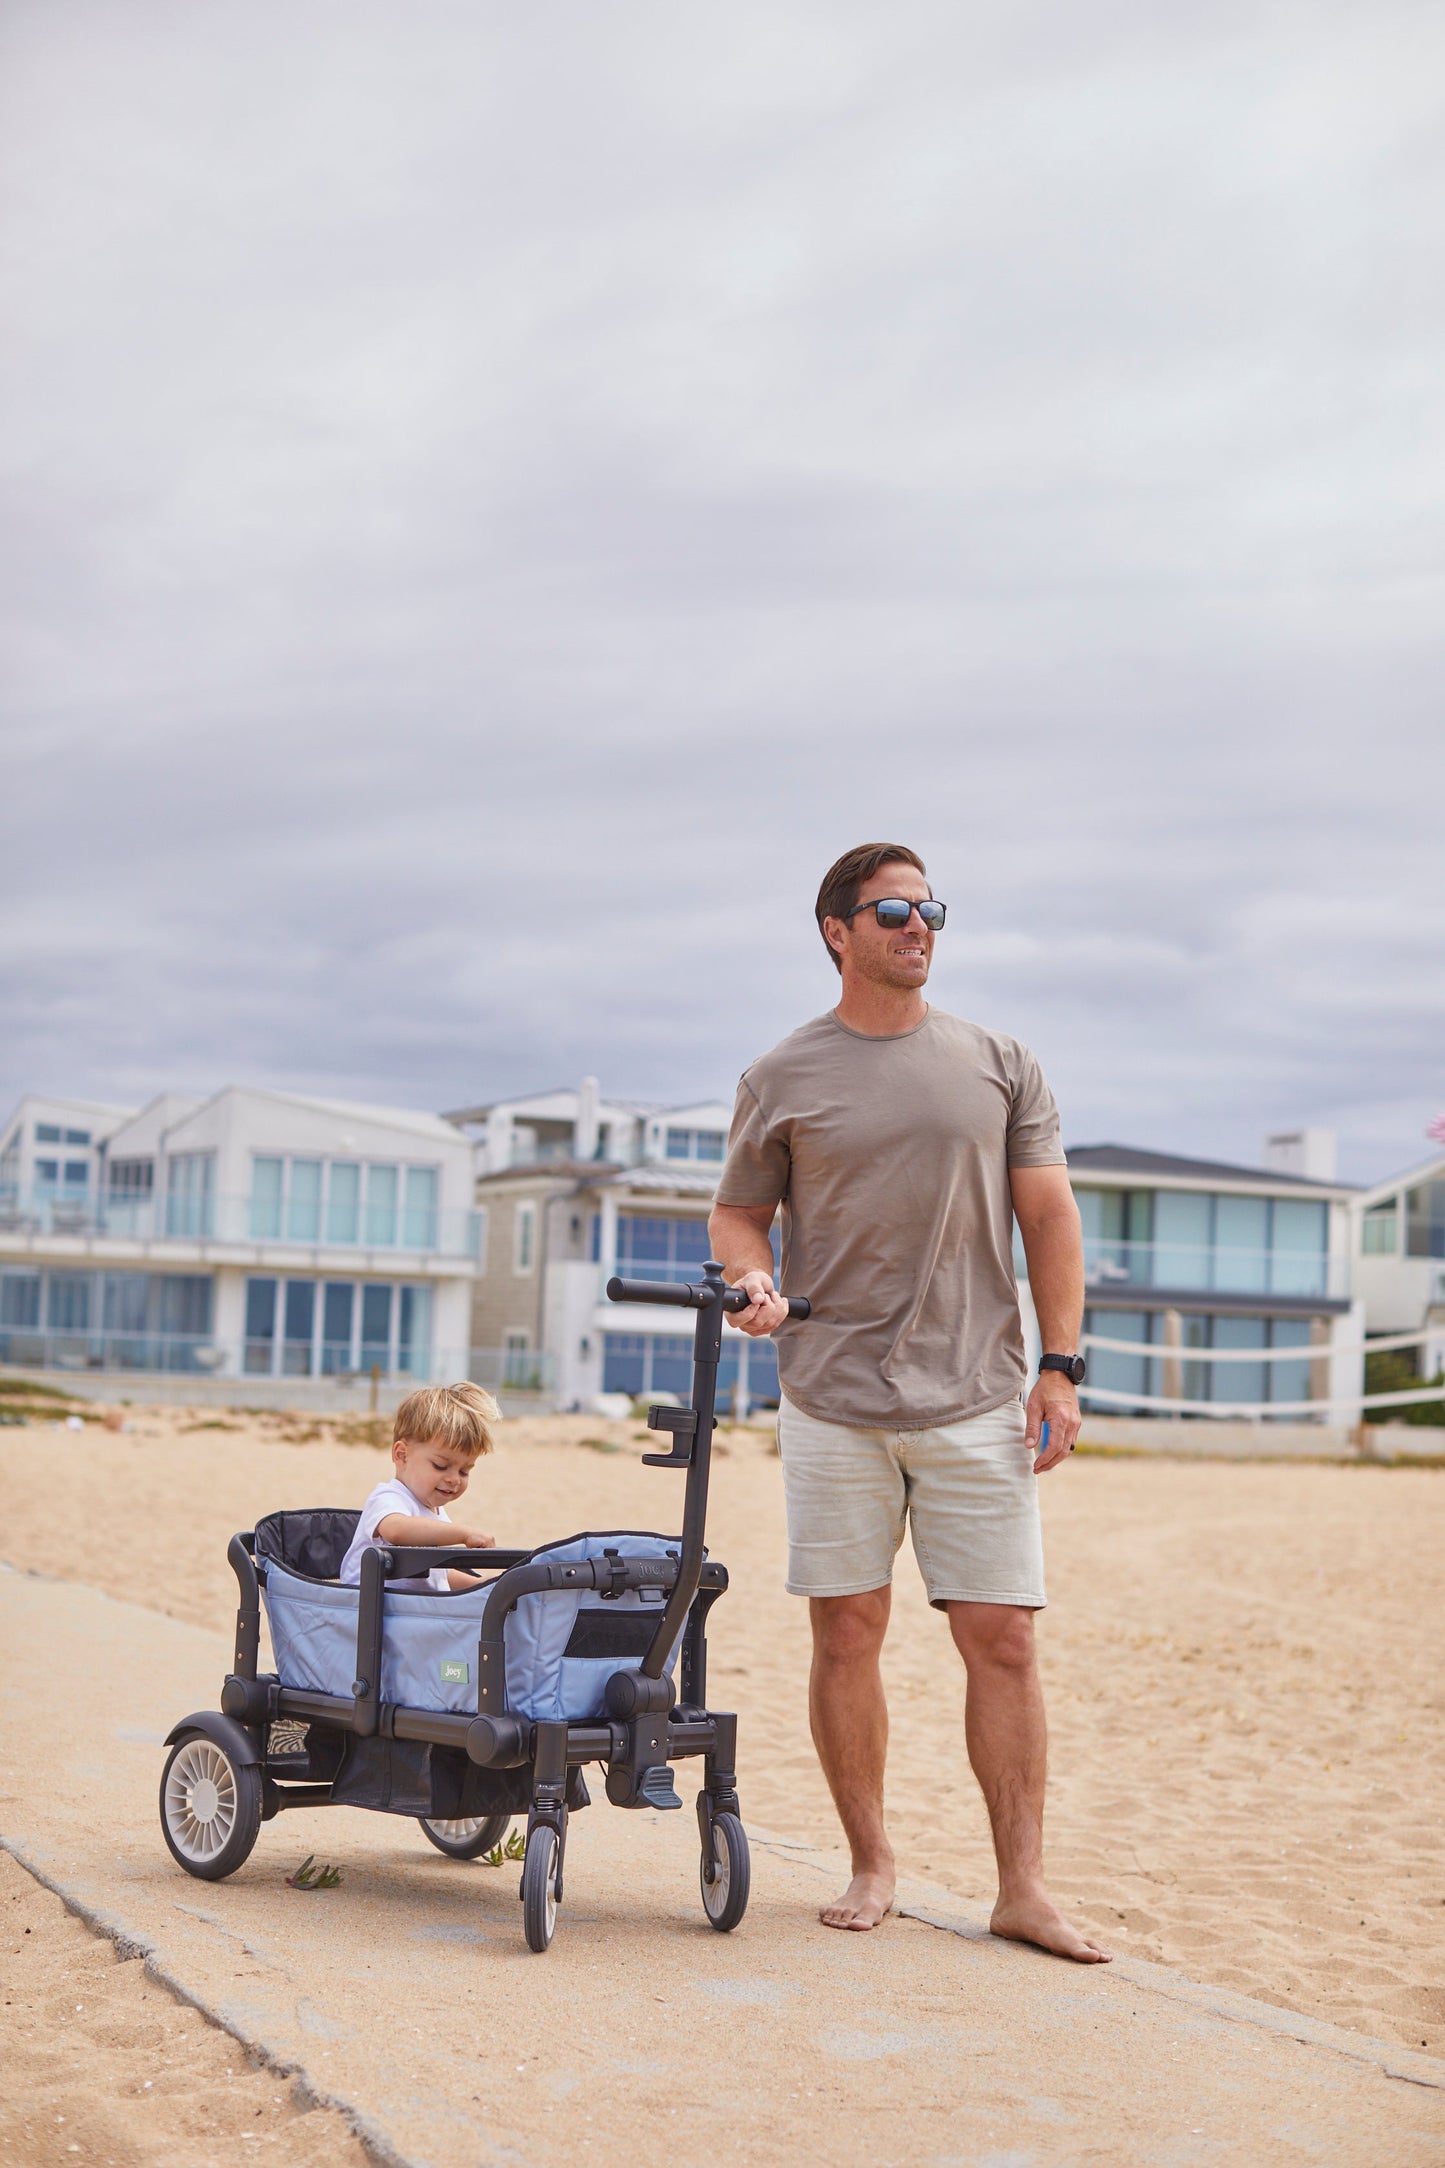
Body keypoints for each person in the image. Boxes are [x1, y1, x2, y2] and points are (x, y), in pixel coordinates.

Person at [709, 841, 1106, 1964]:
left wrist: (1059, 1364)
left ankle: (1020, 1887)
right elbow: (739, 1215)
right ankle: (871, 1860)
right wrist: (749, 1277)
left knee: (1005, 1640)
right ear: (837, 930)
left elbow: (1050, 1219)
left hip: (975, 1391)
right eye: (891, 910)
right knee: (846, 1629)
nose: (917, 926)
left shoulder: (998, 1061)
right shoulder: (780, 1074)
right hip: (830, 1391)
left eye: (930, 908)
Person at [340, 1381, 499, 1593]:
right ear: (402, 1455)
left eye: (464, 1471)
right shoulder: (389, 1498)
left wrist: (478, 1585)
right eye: (441, 1466)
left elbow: (438, 1575)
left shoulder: (436, 1514)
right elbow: (396, 1530)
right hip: (368, 1611)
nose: (454, 1479)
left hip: (412, 1613)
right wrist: (462, 1534)